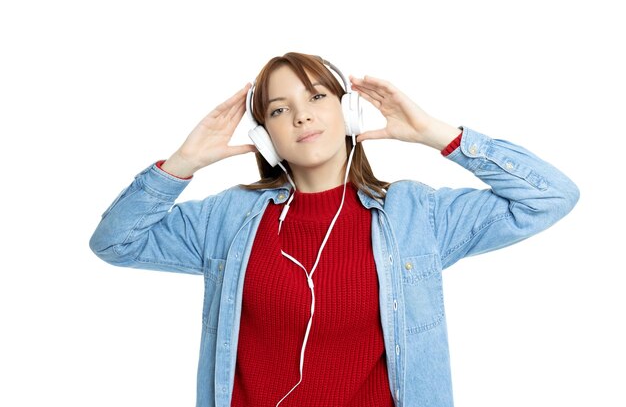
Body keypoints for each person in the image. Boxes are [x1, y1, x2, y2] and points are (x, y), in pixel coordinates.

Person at [89, 52, 579, 407]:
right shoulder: (227, 217)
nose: (301, 114)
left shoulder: (416, 215)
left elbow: (551, 196)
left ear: (348, 113)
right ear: (265, 137)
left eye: (317, 96)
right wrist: (181, 164)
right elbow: (115, 242)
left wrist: (437, 134)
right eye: (278, 109)